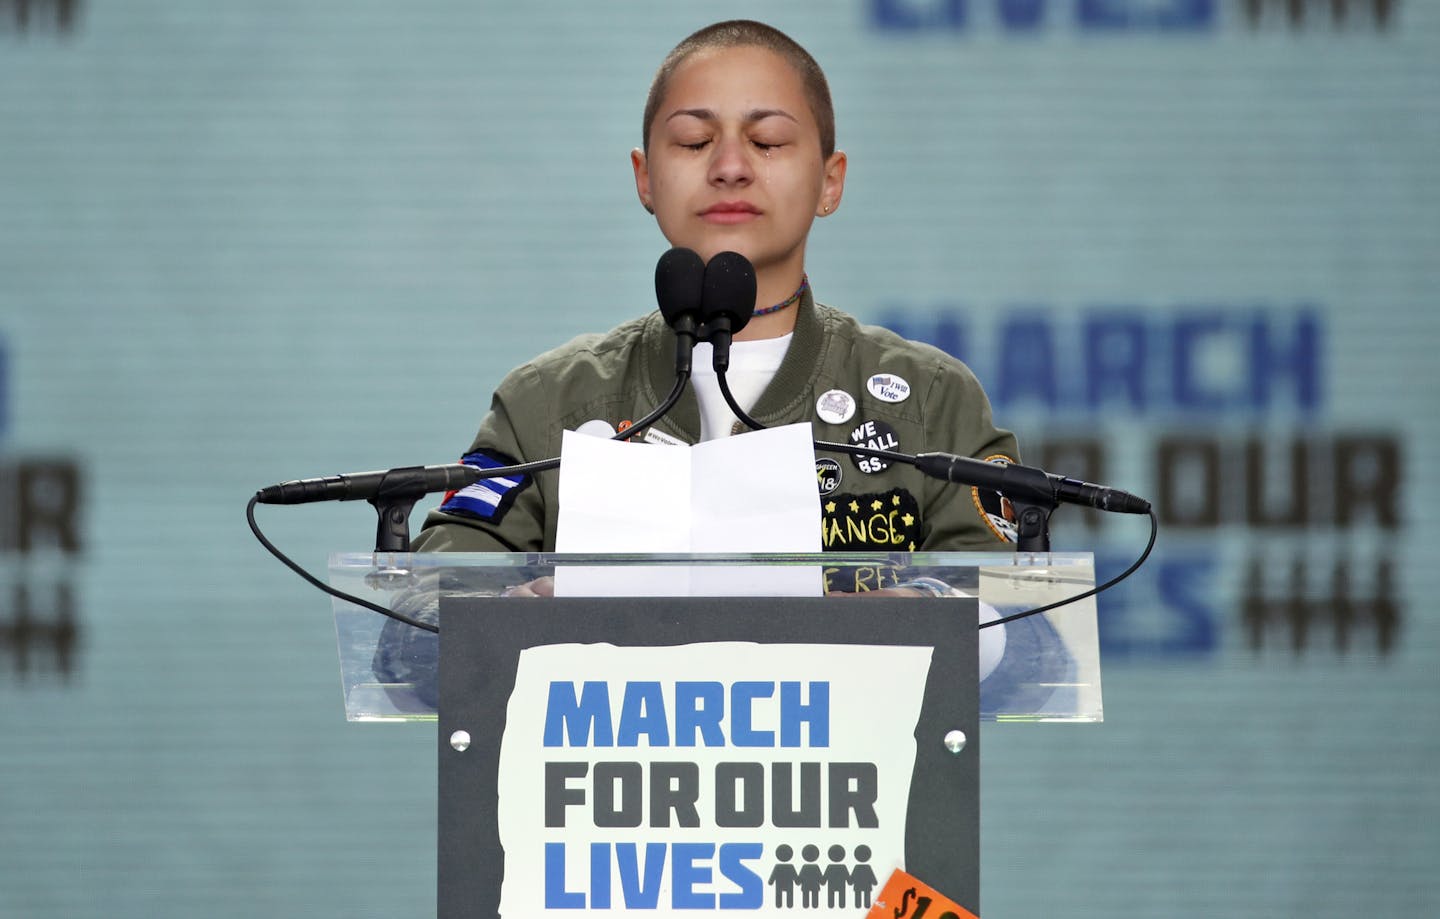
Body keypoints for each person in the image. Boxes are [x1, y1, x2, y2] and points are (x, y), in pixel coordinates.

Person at [409, 19, 1019, 561]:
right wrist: (535, 607)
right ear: (645, 178)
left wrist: (911, 606)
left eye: (768, 141)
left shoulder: (931, 404)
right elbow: (425, 615)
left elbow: (1020, 630)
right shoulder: (547, 404)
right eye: (695, 142)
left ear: (830, 182)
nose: (730, 166)